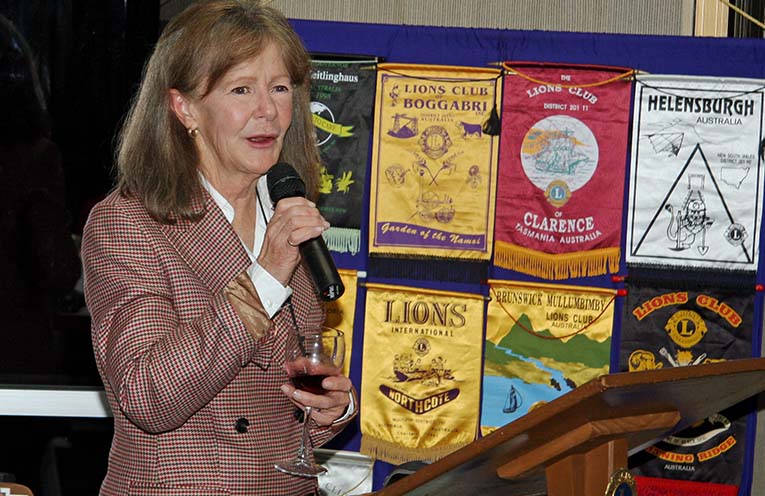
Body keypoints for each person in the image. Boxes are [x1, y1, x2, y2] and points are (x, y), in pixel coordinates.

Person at [81, 2, 357, 494]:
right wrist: (265, 276)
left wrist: (331, 410)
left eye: (279, 88)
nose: (267, 110)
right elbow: (147, 396)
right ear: (184, 108)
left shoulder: (287, 210)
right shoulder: (128, 222)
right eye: (241, 89)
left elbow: (278, 404)